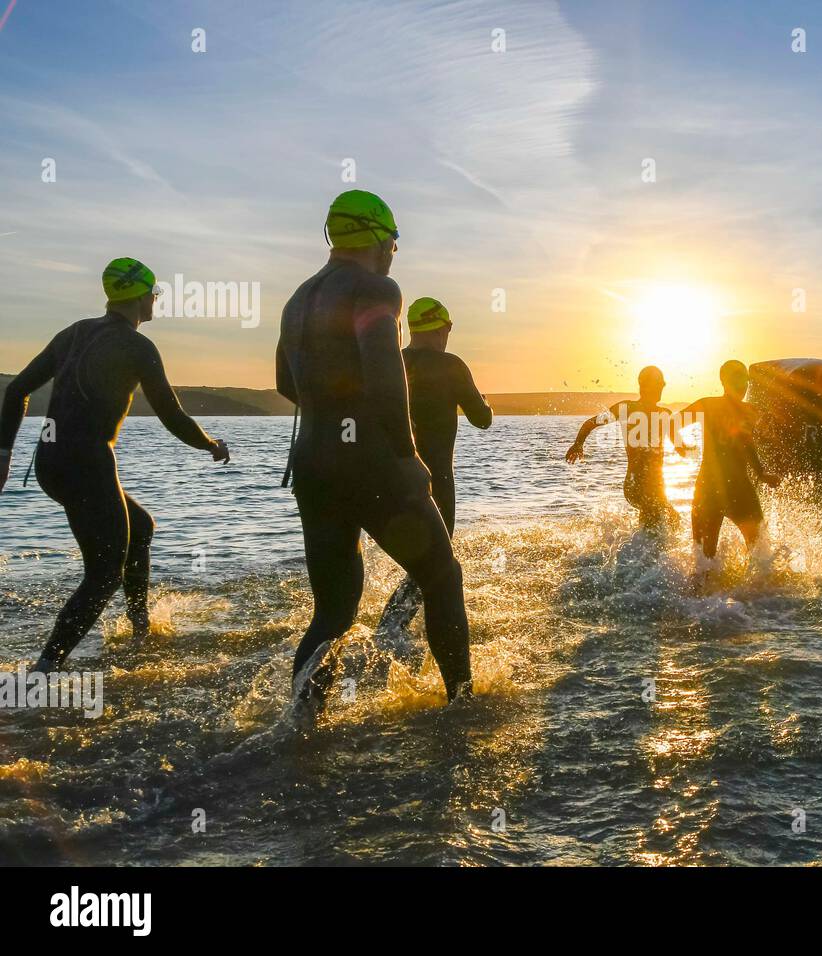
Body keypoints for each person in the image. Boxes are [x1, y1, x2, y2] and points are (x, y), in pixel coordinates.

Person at [276, 190, 472, 716]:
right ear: (380, 237)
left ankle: (302, 725)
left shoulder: (298, 299)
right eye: (394, 241)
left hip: (312, 463)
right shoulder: (376, 287)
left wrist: (332, 408)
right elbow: (386, 372)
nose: (393, 252)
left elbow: (283, 381)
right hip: (372, 460)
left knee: (334, 611)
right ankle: (462, 704)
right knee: (441, 575)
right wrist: (406, 453)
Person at [0, 258, 229, 671]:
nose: (154, 301)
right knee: (104, 572)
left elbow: (16, 390)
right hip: (88, 463)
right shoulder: (138, 347)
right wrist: (210, 445)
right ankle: (45, 666)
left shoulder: (73, 333)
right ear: (141, 297)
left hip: (49, 462)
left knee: (139, 528)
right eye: (154, 294)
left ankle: (139, 628)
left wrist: (2, 454)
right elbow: (171, 414)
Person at [376, 297, 492, 632]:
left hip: (387, 482)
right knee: (438, 566)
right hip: (434, 482)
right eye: (449, 327)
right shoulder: (451, 365)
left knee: (420, 561)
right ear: (440, 326)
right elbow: (481, 419)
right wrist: (486, 402)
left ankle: (395, 630)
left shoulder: (392, 362)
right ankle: (392, 632)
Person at [676, 360, 779, 563]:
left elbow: (747, 445)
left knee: (758, 557)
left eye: (745, 380)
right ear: (723, 380)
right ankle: (760, 594)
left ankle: (756, 594)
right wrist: (680, 445)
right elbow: (674, 423)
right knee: (707, 561)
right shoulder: (729, 408)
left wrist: (761, 473)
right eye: (736, 378)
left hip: (716, 489)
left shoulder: (716, 406)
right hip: (728, 489)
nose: (742, 385)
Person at [565, 365, 686, 529]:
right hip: (639, 484)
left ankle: (633, 549)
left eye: (661, 384)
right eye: (658, 384)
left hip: (652, 486)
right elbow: (591, 423)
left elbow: (681, 448)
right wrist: (578, 444)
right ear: (643, 386)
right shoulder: (628, 408)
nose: (661, 388)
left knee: (672, 523)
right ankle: (635, 551)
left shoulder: (664, 413)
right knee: (658, 525)